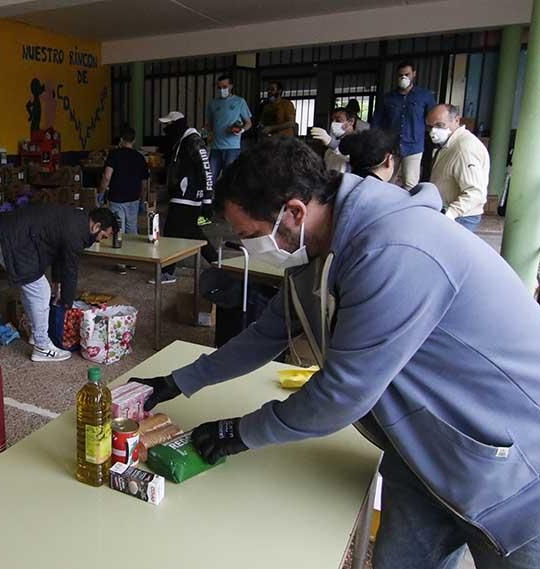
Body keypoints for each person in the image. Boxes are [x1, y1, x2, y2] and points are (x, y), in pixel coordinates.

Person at [129, 136, 540, 569]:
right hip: (423, 451)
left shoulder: (393, 250)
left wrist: (240, 432)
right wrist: (179, 381)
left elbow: (342, 394)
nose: (247, 246)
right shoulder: (321, 247)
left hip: (510, 467)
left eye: (249, 235)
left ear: (293, 212)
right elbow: (266, 335)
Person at [0, 205, 116, 362]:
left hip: (9, 237)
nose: (100, 240)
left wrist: (57, 285)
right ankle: (42, 347)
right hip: (12, 242)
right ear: (96, 226)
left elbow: (59, 253)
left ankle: (35, 334)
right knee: (41, 291)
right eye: (103, 236)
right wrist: (67, 303)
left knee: (32, 288)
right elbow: (71, 269)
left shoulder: (77, 220)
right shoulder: (77, 232)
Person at [152, 111, 218, 285]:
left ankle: (167, 272)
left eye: (168, 125)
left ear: (177, 125)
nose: (165, 129)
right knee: (192, 233)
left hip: (187, 198)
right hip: (182, 196)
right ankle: (219, 265)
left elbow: (206, 170)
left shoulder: (194, 141)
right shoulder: (182, 141)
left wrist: (208, 200)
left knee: (172, 234)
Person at [372, 61, 437, 190]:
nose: (403, 78)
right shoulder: (388, 98)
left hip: (414, 146)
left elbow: (432, 119)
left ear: (414, 74)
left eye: (407, 74)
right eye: (400, 75)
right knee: (386, 181)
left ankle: (408, 209)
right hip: (391, 146)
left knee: (410, 183)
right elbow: (377, 122)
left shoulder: (424, 96)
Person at [427, 104, 490, 232]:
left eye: (439, 125)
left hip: (460, 217)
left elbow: (476, 192)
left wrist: (450, 214)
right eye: (430, 126)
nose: (433, 131)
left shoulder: (464, 149)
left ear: (456, 120)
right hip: (448, 211)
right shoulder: (449, 144)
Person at [99, 125, 150, 274]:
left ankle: (120, 263)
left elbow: (107, 176)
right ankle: (132, 261)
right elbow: (145, 182)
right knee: (132, 229)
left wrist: (101, 193)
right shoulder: (139, 157)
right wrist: (143, 198)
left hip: (116, 197)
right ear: (133, 140)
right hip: (133, 197)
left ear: (121, 139)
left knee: (118, 229)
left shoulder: (114, 155)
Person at [205, 74, 252, 187]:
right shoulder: (213, 103)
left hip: (232, 148)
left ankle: (226, 202)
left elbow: (248, 123)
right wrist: (206, 135)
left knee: (230, 178)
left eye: (224, 87)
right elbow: (209, 125)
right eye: (219, 88)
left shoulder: (239, 102)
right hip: (216, 147)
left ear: (231, 86)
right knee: (209, 178)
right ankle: (209, 201)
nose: (222, 90)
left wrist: (241, 131)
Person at [310, 107, 356, 173]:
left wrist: (331, 143)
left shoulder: (358, 143)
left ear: (351, 121)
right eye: (332, 120)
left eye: (338, 120)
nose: (333, 123)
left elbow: (348, 154)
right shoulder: (329, 149)